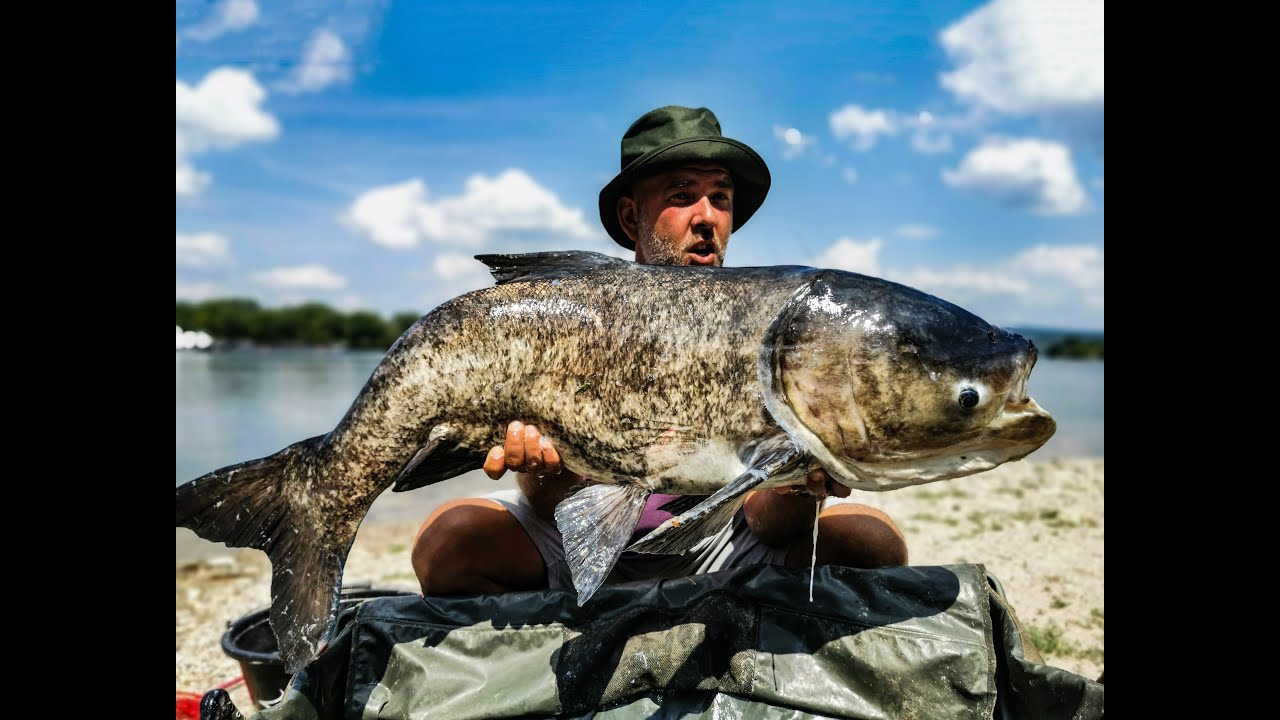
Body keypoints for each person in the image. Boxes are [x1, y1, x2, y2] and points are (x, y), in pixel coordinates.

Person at [411, 105, 908, 596]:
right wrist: (541, 470)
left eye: (720, 197)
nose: (707, 217)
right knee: (447, 544)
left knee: (873, 541)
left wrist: (799, 484)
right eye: (682, 195)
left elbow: (766, 524)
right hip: (575, 537)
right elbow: (550, 509)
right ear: (632, 216)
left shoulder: (759, 329)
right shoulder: (573, 325)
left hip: (718, 542)